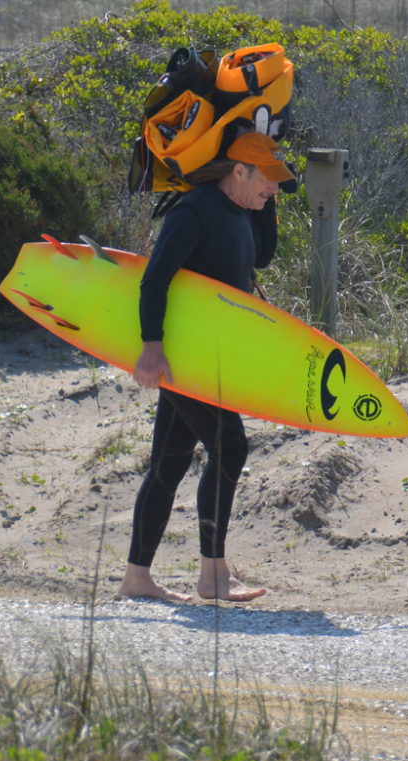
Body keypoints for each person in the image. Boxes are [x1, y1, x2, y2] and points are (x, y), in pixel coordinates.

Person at [118, 131, 295, 603]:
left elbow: (260, 257)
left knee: (169, 463)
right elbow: (154, 278)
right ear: (239, 170)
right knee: (230, 444)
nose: (273, 189)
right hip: (182, 357)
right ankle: (213, 575)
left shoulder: (239, 212)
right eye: (267, 180)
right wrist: (151, 347)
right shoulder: (193, 212)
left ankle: (137, 578)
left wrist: (268, 198)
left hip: (208, 355)